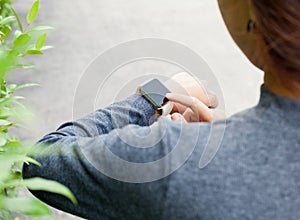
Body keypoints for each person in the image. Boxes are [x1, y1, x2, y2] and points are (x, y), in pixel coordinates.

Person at [23, 0, 300, 219]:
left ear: (256, 18)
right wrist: (232, 134)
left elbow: (41, 161)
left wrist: (155, 95)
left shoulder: (174, 161)